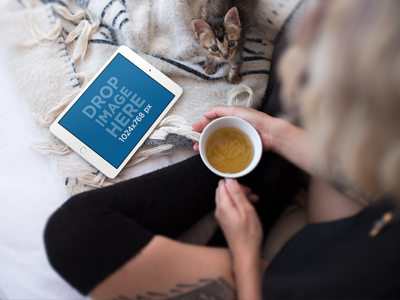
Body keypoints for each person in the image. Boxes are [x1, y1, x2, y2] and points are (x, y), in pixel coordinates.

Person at [44, 0, 400, 299]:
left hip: (292, 284)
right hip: (372, 223)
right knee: (309, 61)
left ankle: (252, 157)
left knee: (74, 236)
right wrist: (274, 133)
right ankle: (263, 145)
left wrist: (244, 251)